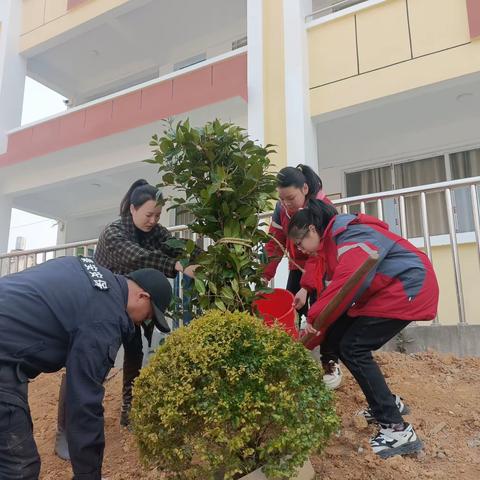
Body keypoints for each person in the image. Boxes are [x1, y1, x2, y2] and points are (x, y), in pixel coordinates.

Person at [54, 179, 202, 460]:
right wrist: (176, 265)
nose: (154, 220)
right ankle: (65, 429)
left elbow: (174, 245)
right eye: (149, 215)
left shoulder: (155, 232)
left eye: (158, 215)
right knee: (88, 361)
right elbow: (137, 259)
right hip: (97, 305)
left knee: (135, 349)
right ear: (132, 209)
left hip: (132, 305)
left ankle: (128, 407)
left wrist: (201, 256)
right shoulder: (114, 233)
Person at [287, 200, 439, 458]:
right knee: (337, 338)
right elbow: (331, 304)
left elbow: (348, 280)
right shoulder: (331, 246)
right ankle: (388, 403)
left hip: (408, 287)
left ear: (313, 229)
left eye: (300, 243)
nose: (300, 250)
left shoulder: (350, 233)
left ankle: (396, 429)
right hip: (387, 291)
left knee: (354, 347)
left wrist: (313, 319)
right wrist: (309, 336)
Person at [0, 256, 173, 480]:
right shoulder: (105, 319)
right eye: (148, 317)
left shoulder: (88, 272)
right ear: (142, 296)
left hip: (9, 354)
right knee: (19, 468)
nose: (140, 324)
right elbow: (83, 403)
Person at [263, 164, 342, 389]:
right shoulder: (282, 209)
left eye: (291, 198)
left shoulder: (322, 207)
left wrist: (307, 287)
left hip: (322, 265)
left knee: (322, 315)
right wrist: (264, 275)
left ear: (305, 188)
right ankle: (289, 363)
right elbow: (275, 243)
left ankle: (330, 363)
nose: (286, 204)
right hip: (297, 266)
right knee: (290, 308)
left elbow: (321, 253)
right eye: (282, 199)